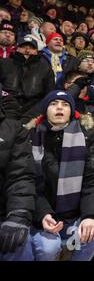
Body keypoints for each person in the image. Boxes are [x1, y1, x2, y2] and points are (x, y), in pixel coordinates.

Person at [30, 90, 94, 261]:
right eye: (54, 104)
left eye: (65, 104)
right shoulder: (31, 136)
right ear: (45, 110)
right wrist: (43, 214)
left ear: (71, 110)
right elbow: (28, 182)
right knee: (49, 248)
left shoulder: (86, 135)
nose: (59, 108)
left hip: (73, 214)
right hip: (42, 214)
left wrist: (90, 215)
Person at [0, 90, 36, 261]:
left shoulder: (13, 130)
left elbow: (20, 175)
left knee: (19, 243)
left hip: (4, 213)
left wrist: (18, 213)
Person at [0, 35, 55, 124]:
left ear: (37, 51)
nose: (27, 50)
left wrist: (38, 109)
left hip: (34, 109)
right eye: (23, 47)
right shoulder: (4, 63)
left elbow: (49, 93)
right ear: (17, 48)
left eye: (31, 48)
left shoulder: (45, 67)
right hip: (6, 107)